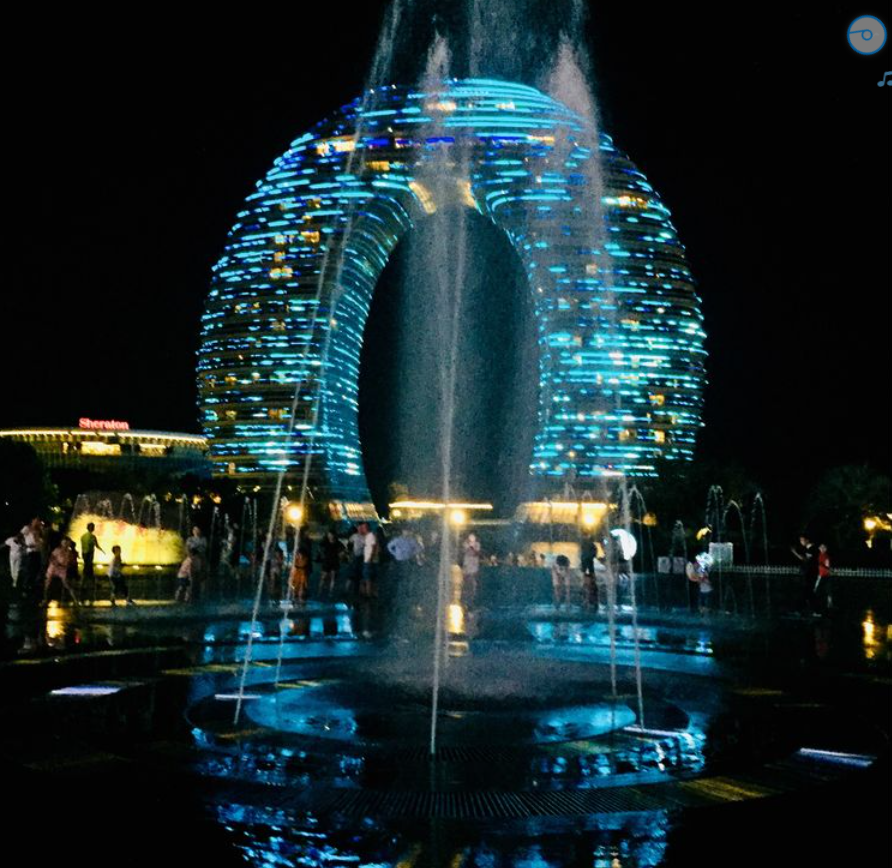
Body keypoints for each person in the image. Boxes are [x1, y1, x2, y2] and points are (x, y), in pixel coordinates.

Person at [42, 537, 80, 606]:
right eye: (64, 543)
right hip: (54, 568)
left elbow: (71, 561)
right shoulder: (57, 550)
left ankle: (76, 600)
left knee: (67, 584)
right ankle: (45, 600)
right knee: (47, 583)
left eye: (67, 543)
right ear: (61, 543)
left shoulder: (69, 552)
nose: (66, 545)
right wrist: (55, 563)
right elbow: (51, 558)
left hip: (62, 569)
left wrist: (69, 565)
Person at [792, 535, 818, 614]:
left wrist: (794, 552)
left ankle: (809, 610)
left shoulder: (812, 549)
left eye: (802, 540)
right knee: (807, 592)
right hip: (808, 573)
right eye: (800, 541)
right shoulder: (808, 549)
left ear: (807, 540)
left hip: (810, 574)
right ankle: (810, 610)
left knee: (807, 592)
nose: (801, 542)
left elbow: (805, 559)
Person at [80, 522, 104, 605]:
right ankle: (83, 584)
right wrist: (102, 550)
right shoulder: (93, 537)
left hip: (84, 554)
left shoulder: (83, 536)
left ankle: (91, 584)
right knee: (87, 570)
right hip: (89, 555)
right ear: (92, 528)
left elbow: (82, 546)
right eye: (93, 527)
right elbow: (96, 545)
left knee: (89, 570)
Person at [317, 530, 343, 599]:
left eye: (331, 534)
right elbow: (319, 547)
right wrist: (322, 554)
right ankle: (320, 591)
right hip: (327, 560)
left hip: (334, 561)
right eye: (329, 534)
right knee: (323, 577)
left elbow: (342, 550)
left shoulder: (337, 543)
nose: (330, 536)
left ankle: (330, 592)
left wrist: (340, 556)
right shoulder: (325, 542)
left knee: (333, 577)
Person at [461, 533, 481, 608]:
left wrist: (472, 547)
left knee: (473, 584)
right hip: (467, 567)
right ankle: (465, 600)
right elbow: (465, 551)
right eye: (470, 538)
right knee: (466, 583)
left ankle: (472, 600)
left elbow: (476, 553)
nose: (472, 539)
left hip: (474, 567)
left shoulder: (477, 545)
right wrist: (469, 547)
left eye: (473, 538)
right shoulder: (465, 544)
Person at [361, 525, 379, 598]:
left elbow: (374, 547)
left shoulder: (371, 536)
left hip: (368, 561)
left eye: (363, 528)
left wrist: (370, 558)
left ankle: (369, 595)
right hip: (367, 560)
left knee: (368, 579)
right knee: (368, 578)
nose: (362, 529)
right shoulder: (367, 536)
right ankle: (369, 594)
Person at [815, 543, 832, 613]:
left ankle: (828, 604)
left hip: (824, 575)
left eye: (823, 547)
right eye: (821, 547)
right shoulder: (818, 555)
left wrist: (820, 565)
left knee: (824, 590)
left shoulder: (826, 557)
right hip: (820, 575)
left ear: (826, 549)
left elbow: (827, 567)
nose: (822, 548)